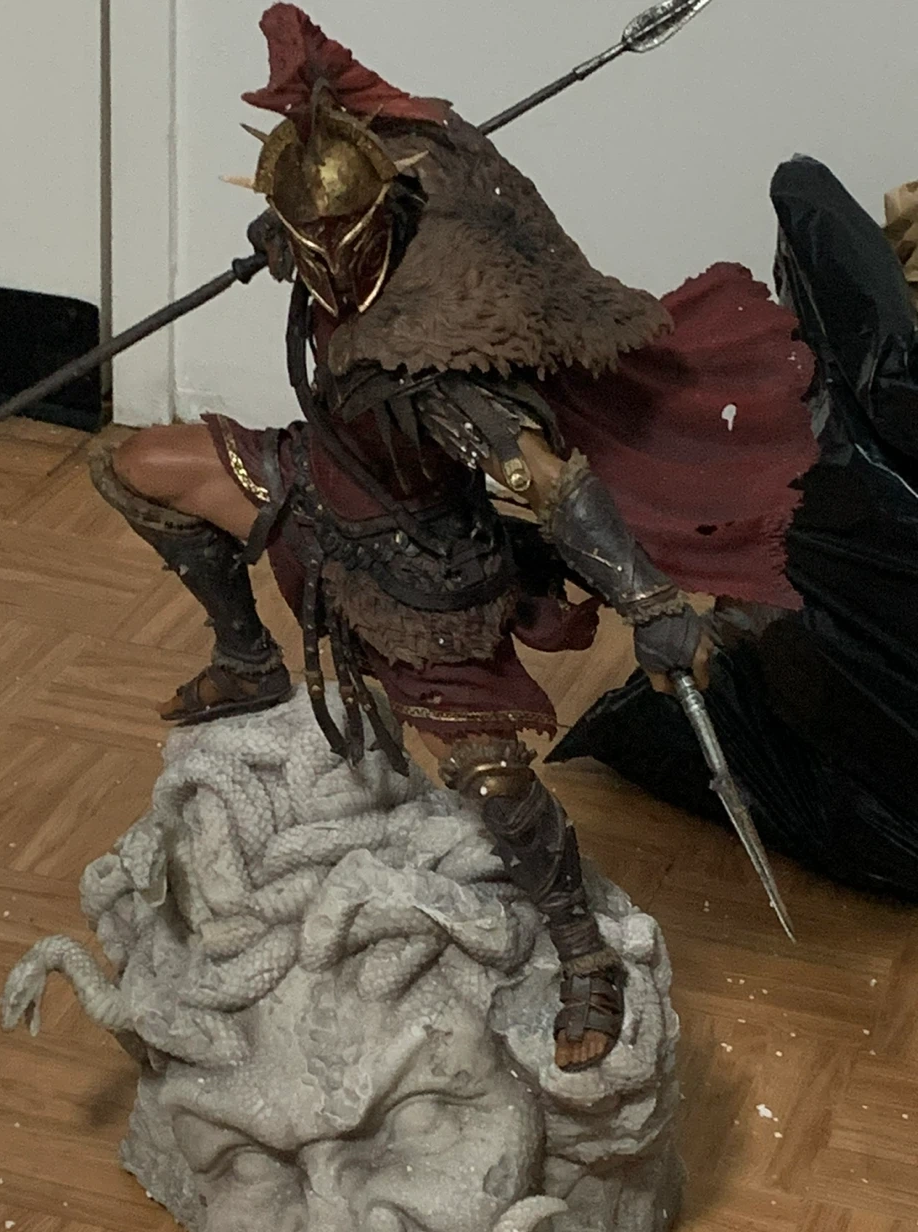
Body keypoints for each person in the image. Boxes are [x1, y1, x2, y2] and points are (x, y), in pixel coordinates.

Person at [90, 5, 816, 1070]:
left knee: (492, 784)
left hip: (420, 575)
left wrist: (651, 602)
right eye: (301, 237)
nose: (322, 262)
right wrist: (283, 235)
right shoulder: (390, 187)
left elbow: (553, 483)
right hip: (316, 482)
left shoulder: (440, 362)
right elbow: (391, 116)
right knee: (136, 468)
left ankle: (583, 956)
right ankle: (246, 657)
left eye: (331, 239)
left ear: (377, 217)